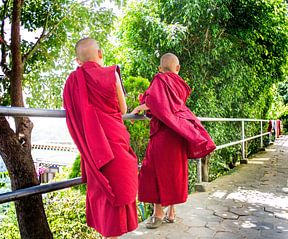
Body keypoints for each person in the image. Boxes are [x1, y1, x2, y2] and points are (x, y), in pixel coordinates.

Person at [63, 38, 138, 238]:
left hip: (95, 151)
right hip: (116, 143)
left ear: (78, 61)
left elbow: (75, 115)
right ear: (101, 54)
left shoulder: (72, 81)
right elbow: (123, 110)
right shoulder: (110, 74)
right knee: (118, 196)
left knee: (104, 199)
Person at [131, 53, 216, 229]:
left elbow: (157, 102)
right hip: (179, 133)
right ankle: (171, 212)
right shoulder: (180, 85)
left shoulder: (160, 79)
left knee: (153, 171)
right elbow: (170, 106)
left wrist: (142, 106)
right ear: (177, 69)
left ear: (160, 69)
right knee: (173, 172)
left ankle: (158, 213)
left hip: (164, 134)